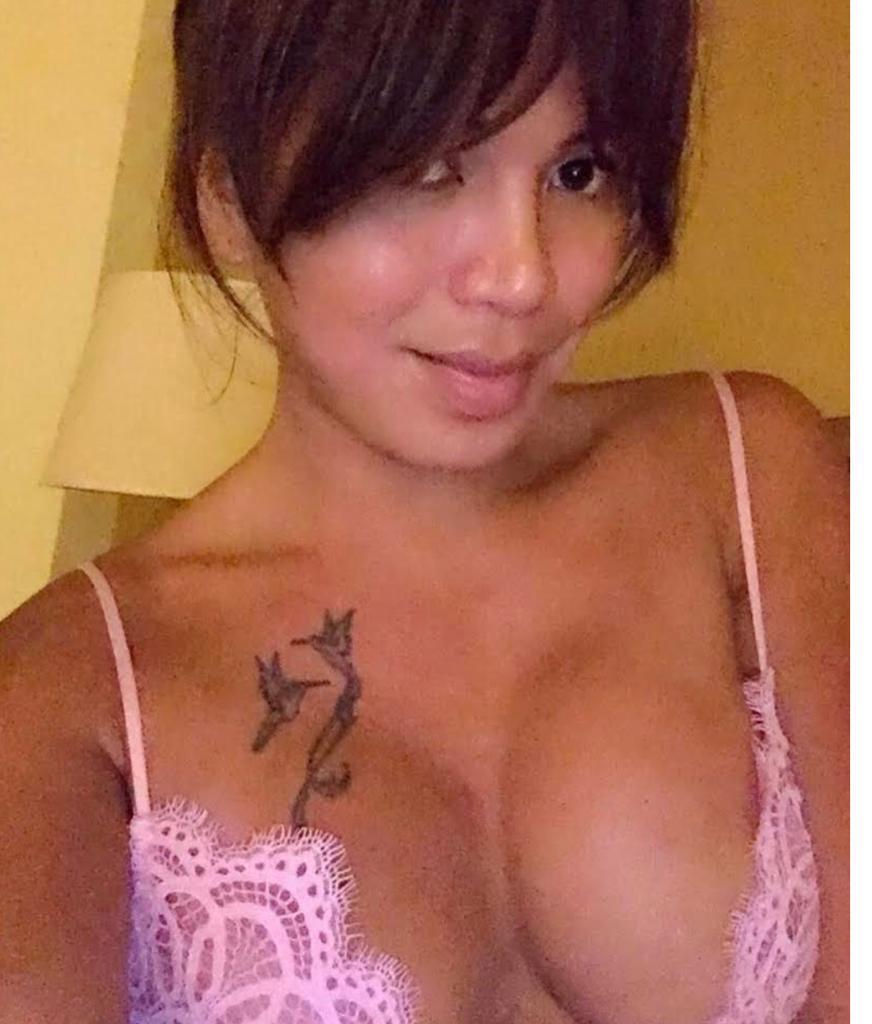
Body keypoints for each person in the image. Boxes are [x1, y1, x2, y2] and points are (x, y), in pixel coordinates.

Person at [0, 1, 848, 1022]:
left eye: (578, 172)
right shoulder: (67, 692)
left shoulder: (745, 472)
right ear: (230, 199)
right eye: (427, 170)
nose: (521, 277)